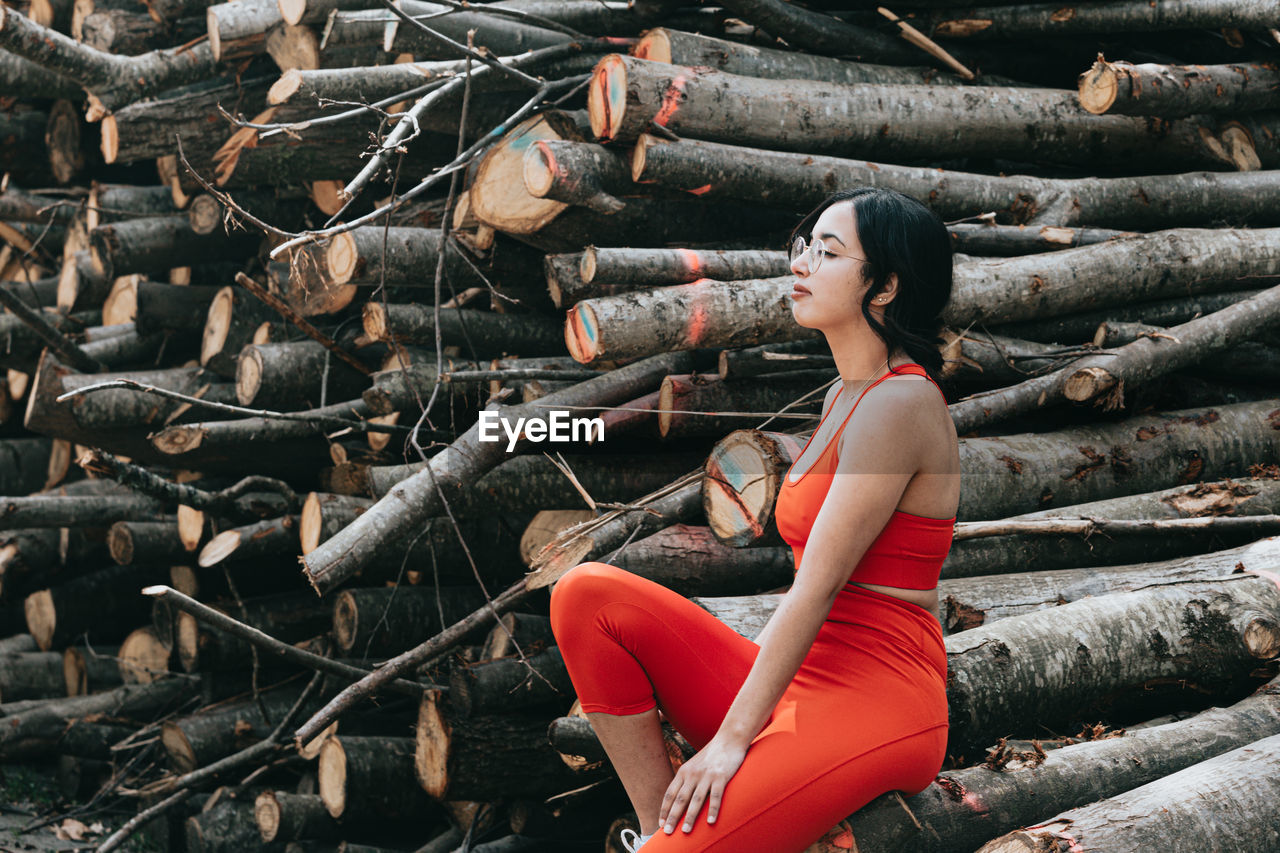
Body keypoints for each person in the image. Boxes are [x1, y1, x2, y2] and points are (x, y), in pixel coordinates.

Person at [549, 187, 961, 852]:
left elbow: (818, 586)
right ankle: (663, 829)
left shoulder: (901, 403)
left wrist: (730, 741)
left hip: (878, 698)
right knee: (586, 596)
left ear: (883, 286)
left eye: (827, 253)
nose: (799, 264)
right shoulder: (845, 392)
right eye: (803, 247)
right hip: (801, 678)